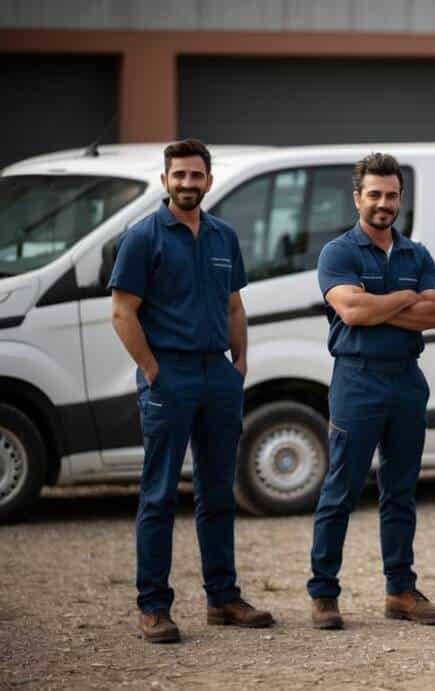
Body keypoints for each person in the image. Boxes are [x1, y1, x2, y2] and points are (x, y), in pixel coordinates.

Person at [109, 138, 273, 643]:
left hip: (217, 376)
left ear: (208, 180)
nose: (187, 183)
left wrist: (239, 363)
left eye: (196, 175)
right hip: (170, 376)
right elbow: (122, 312)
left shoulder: (224, 236)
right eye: (178, 175)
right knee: (159, 494)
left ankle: (222, 598)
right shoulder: (143, 238)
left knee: (219, 490)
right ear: (165, 181)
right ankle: (154, 607)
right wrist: (152, 370)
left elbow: (233, 305)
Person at [307, 152, 435, 630]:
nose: (384, 203)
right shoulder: (338, 252)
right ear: (357, 198)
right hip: (358, 377)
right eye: (375, 194)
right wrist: (407, 299)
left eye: (391, 195)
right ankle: (324, 593)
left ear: (400, 199)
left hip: (407, 378)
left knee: (401, 490)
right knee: (341, 488)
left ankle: (401, 591)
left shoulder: (416, 253)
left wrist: (382, 305)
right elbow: (352, 312)